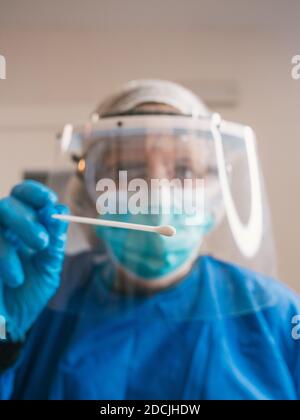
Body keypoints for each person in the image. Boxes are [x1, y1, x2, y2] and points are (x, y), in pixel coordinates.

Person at [0, 80, 299, 400]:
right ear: (87, 194)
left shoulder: (278, 316)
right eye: (126, 169)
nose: (157, 192)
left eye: (184, 170)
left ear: (214, 194)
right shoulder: (35, 299)